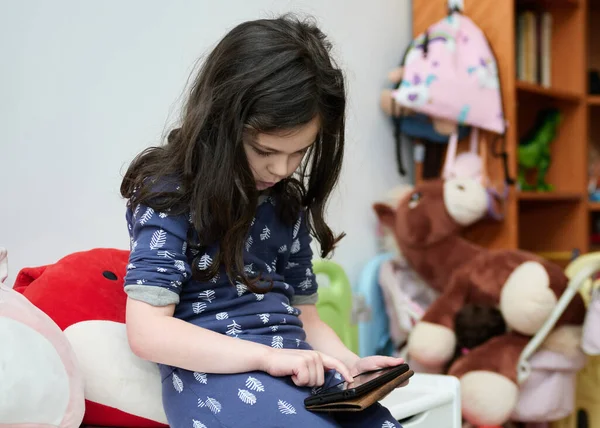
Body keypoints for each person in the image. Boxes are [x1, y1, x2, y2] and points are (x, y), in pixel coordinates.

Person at [120, 14, 405, 428]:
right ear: (221, 120)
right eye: (264, 149)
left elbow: (306, 317)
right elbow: (147, 333)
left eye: (299, 153)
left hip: (297, 371)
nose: (281, 169)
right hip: (218, 378)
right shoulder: (170, 193)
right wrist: (266, 357)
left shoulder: (285, 204)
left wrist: (350, 364)